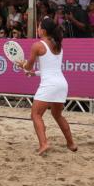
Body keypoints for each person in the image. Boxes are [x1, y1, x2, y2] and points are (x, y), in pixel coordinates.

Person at [16, 17, 76, 155]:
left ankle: (43, 144)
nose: (37, 29)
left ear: (43, 30)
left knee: (35, 114)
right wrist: (35, 73)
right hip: (62, 84)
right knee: (57, 115)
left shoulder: (37, 45)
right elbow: (51, 68)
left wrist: (23, 65)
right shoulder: (58, 45)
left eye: (38, 27)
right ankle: (71, 143)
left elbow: (28, 66)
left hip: (49, 85)